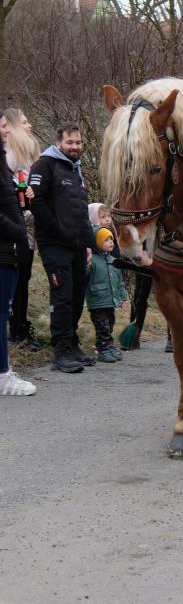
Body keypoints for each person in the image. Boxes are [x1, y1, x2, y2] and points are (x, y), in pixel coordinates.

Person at [29, 121, 95, 373]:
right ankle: (61, 350)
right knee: (62, 297)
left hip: (77, 245)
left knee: (77, 296)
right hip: (55, 244)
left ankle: (72, 344)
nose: (75, 147)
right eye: (70, 142)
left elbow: (80, 210)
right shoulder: (44, 165)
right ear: (58, 143)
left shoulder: (76, 169)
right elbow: (37, 202)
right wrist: (58, 229)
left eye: (78, 142)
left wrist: (87, 242)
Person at [0, 112, 36, 396]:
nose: (7, 130)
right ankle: (3, 375)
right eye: (3, 126)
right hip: (6, 247)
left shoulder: (4, 162)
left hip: (11, 246)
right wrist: (17, 231)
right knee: (2, 312)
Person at [3, 108, 40, 351]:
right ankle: (17, 330)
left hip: (28, 225)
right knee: (17, 280)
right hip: (15, 227)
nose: (29, 126)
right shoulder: (9, 155)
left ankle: (20, 326)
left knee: (23, 278)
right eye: (24, 122)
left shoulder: (27, 155)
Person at [85, 227, 126, 362]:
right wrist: (87, 263)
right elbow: (85, 274)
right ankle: (103, 349)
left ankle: (109, 345)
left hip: (111, 301)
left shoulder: (114, 260)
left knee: (110, 324)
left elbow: (120, 281)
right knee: (102, 326)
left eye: (111, 239)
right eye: (106, 240)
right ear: (97, 242)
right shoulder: (92, 260)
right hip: (97, 302)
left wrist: (122, 295)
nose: (110, 242)